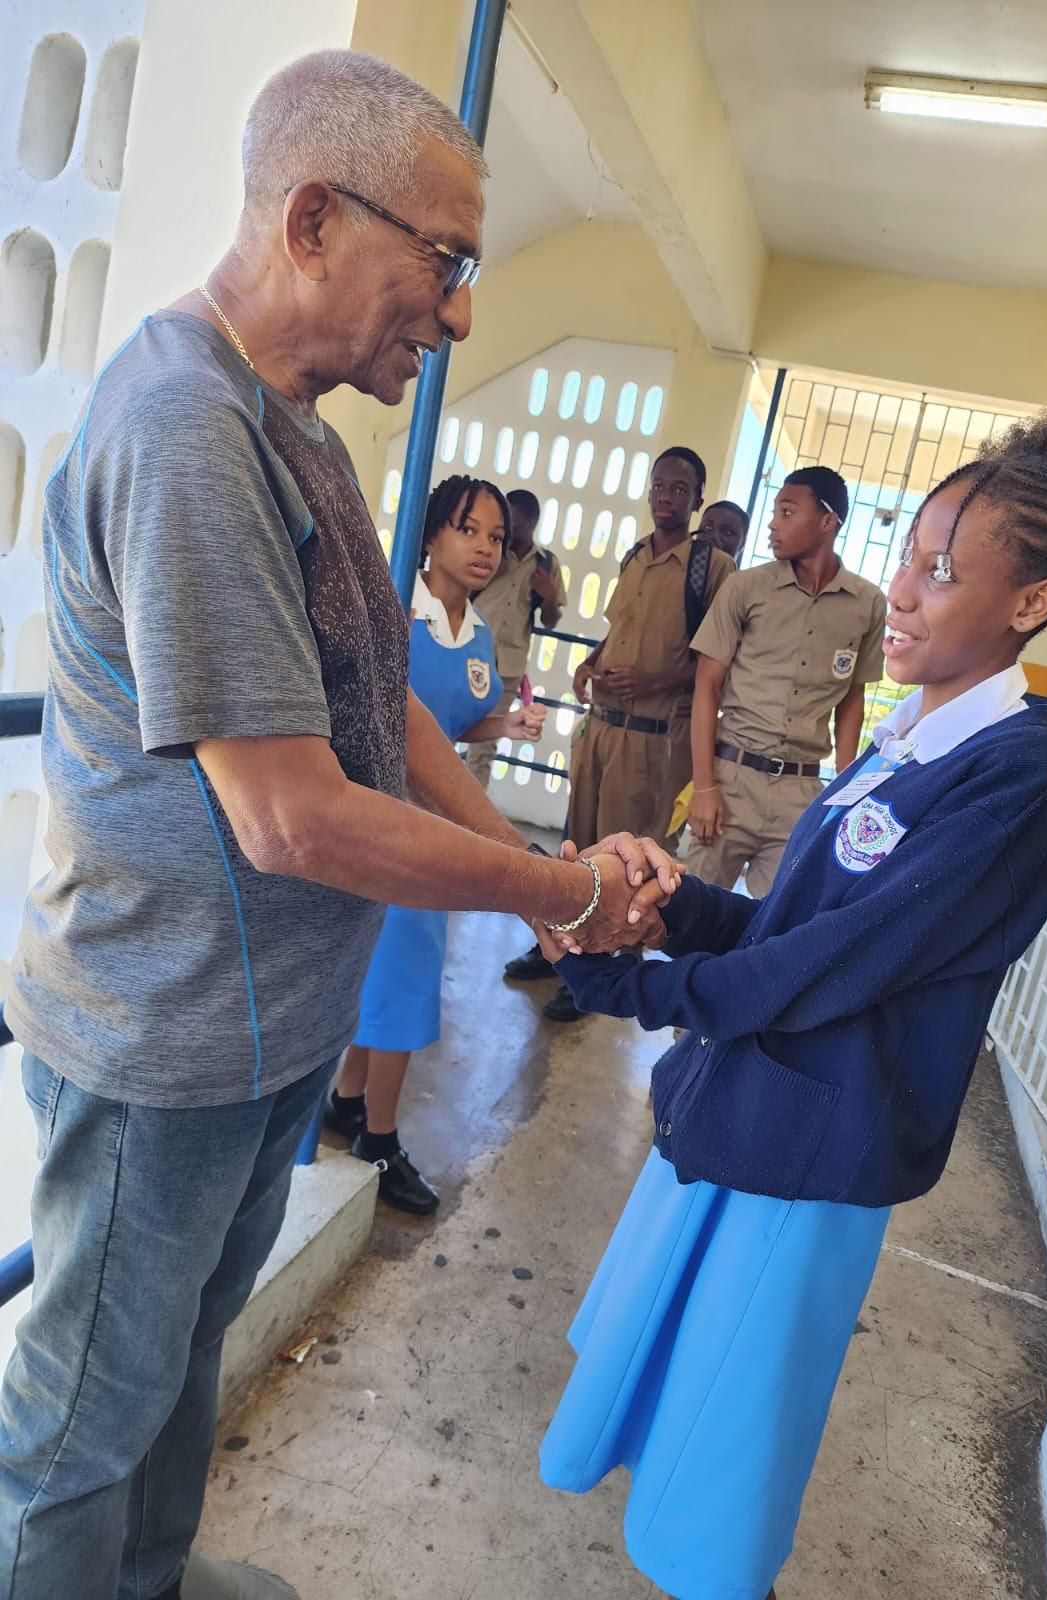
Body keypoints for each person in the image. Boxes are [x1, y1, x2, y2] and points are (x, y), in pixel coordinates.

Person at [0, 51, 672, 1600]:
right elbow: (294, 816)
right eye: (442, 261)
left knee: (174, 1364)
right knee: (78, 1428)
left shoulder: (292, 426)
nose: (456, 312)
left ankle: (147, 1586)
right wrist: (558, 893)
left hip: (262, 1031)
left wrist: (544, 874)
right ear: (312, 218)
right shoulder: (184, 430)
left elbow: (389, 715)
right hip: (162, 1037)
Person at [531, 413, 1047, 1600]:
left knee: (723, 1478)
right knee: (677, 1413)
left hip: (810, 1160)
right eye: (911, 550)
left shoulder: (1013, 774)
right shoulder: (906, 741)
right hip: (746, 1121)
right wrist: (680, 906)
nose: (903, 588)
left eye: (944, 569)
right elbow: (796, 933)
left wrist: (632, 981)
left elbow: (835, 966)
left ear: (1032, 603)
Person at [325, 476, 545, 1212]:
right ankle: (380, 1142)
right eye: (468, 530)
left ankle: (351, 1099)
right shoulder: (391, 609)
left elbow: (450, 725)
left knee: (392, 966)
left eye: (495, 537)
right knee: (406, 974)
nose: (484, 548)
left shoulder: (476, 632)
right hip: (386, 820)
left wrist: (506, 728)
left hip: (435, 823)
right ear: (431, 536)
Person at [504, 447, 734, 1022]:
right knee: (578, 845)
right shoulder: (635, 556)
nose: (666, 497)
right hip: (600, 729)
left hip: (650, 738)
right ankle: (558, 951)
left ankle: (606, 974)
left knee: (626, 858)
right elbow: (618, 631)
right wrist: (592, 663)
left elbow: (713, 667)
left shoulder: (713, 568)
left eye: (680, 489)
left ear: (697, 498)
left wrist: (652, 680)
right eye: (659, 486)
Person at [687, 467, 885, 895]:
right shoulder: (745, 588)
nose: (773, 523)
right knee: (692, 917)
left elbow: (852, 698)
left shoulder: (867, 603)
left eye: (787, 511)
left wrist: (845, 792)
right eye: (776, 510)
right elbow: (706, 688)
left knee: (775, 926)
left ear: (828, 520)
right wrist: (704, 786)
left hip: (802, 793)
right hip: (730, 779)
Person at [464, 488, 565, 790]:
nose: (509, 527)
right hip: (468, 654)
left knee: (485, 747)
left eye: (516, 522)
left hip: (507, 666)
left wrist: (549, 597)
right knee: (445, 729)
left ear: (533, 521)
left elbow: (550, 621)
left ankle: (467, 822)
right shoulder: (489, 552)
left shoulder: (547, 565)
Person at [696, 499, 750, 564]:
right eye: (708, 527)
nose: (714, 536)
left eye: (728, 532)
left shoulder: (747, 574)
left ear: (743, 543)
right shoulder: (682, 571)